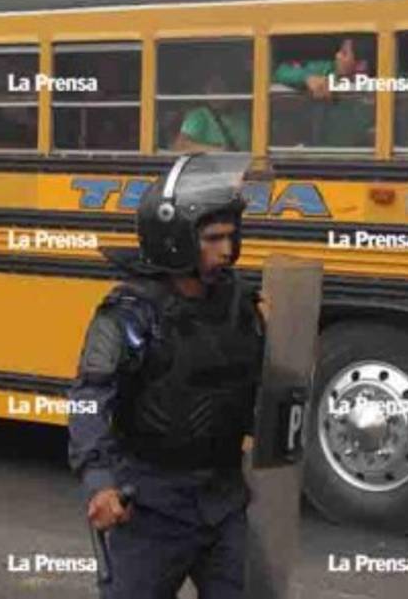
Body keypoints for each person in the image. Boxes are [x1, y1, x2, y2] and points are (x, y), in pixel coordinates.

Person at [68, 154, 264, 598]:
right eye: (213, 239)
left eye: (231, 236)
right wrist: (99, 483)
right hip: (152, 506)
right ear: (175, 240)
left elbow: (259, 388)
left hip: (224, 501)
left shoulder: (240, 305)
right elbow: (88, 398)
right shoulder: (130, 314)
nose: (227, 251)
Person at [271, 37, 372, 145]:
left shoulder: (373, 93)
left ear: (361, 65)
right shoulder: (325, 70)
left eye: (344, 53)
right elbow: (280, 73)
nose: (337, 56)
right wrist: (306, 78)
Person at [174, 75, 251, 153]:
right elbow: (180, 146)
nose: (215, 96)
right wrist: (218, 150)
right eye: (211, 91)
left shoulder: (245, 117)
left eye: (219, 90)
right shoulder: (199, 116)